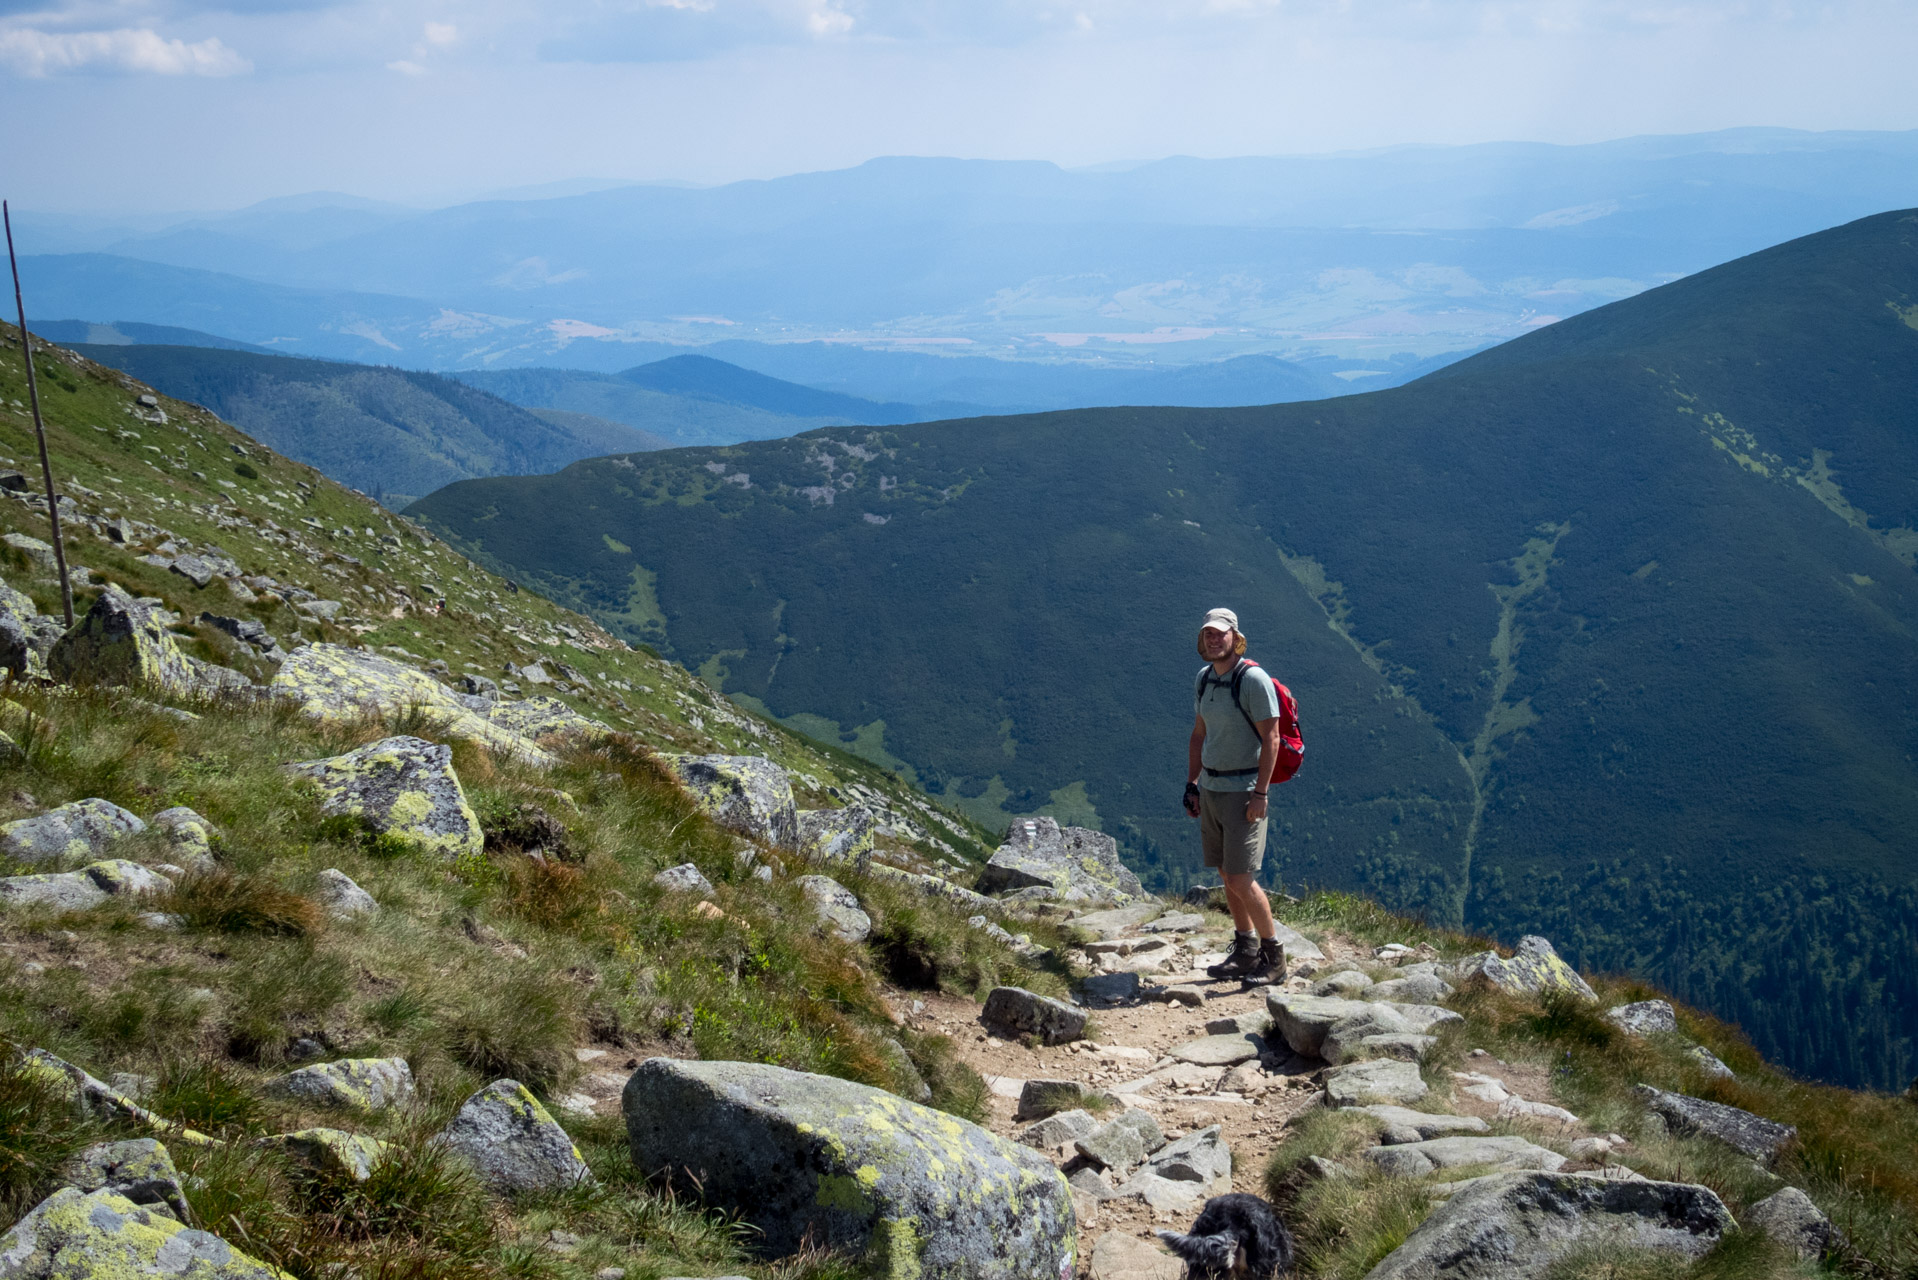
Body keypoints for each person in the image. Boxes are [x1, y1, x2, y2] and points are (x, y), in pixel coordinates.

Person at [1184, 607, 1293, 981]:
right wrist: (1192, 784)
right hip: (1212, 787)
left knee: (1242, 878)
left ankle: (1274, 957)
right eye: (1208, 634)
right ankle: (1245, 949)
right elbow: (1199, 734)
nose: (1214, 639)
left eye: (1221, 633)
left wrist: (1260, 793)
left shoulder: (1253, 680)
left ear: (1236, 636)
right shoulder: (1204, 679)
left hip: (1244, 790)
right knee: (1225, 874)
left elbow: (1272, 738)